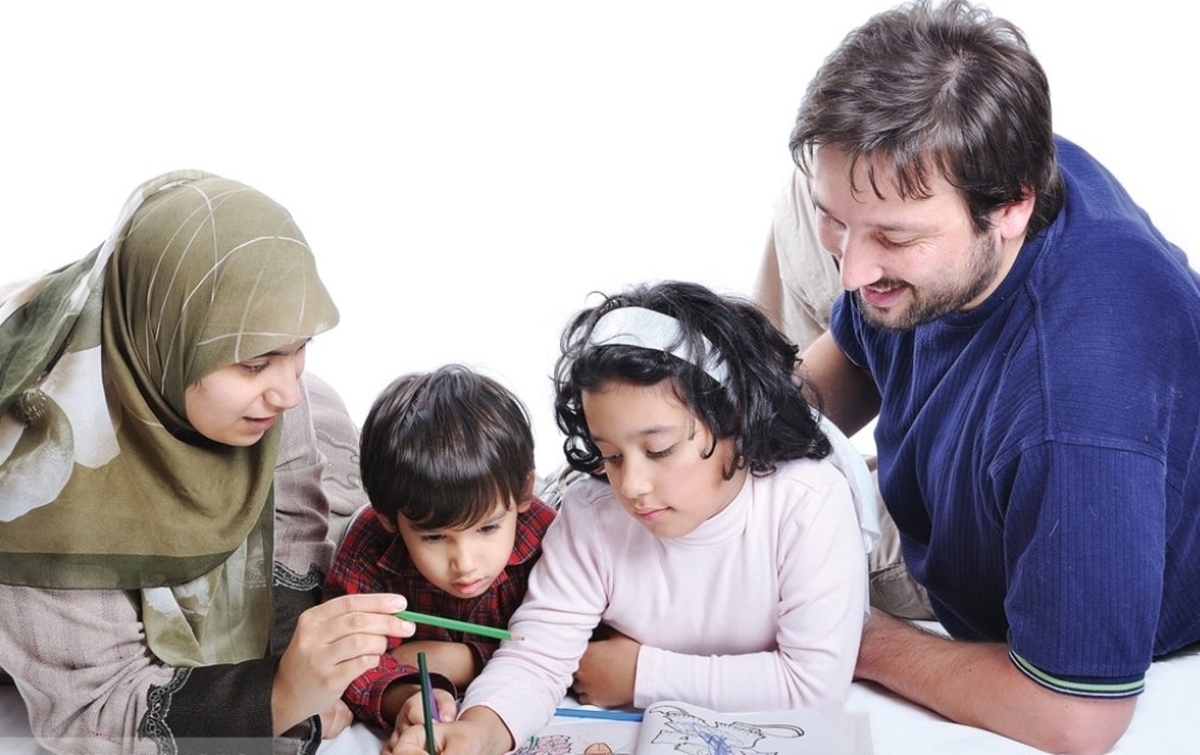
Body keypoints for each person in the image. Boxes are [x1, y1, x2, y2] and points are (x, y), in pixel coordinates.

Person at [782, 1, 1200, 753]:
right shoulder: (971, 160)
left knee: (741, 575)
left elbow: (1075, 717)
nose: (850, 270)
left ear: (1013, 206)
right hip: (980, 436)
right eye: (837, 222)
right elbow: (846, 334)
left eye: (894, 239)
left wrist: (853, 634)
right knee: (807, 209)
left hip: (1040, 544)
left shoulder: (1076, 418)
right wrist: (718, 439)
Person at [0, 170, 416, 755]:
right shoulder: (33, 479)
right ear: (161, 339)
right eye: (255, 363)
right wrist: (278, 697)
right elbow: (97, 714)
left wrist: (305, 655)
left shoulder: (273, 392)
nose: (286, 392)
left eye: (300, 349)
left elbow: (296, 526)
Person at [396, 280, 876, 755]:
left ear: (734, 419)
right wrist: (477, 732)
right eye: (611, 455)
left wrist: (639, 674)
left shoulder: (807, 502)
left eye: (659, 449)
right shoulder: (591, 515)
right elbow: (537, 655)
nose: (631, 486)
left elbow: (812, 683)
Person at [323, 364, 557, 740]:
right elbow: (344, 656)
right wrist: (407, 696)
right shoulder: (370, 543)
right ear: (388, 518)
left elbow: (583, 647)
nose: (465, 563)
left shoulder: (549, 535)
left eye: (488, 528)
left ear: (525, 492)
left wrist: (467, 660)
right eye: (434, 537)